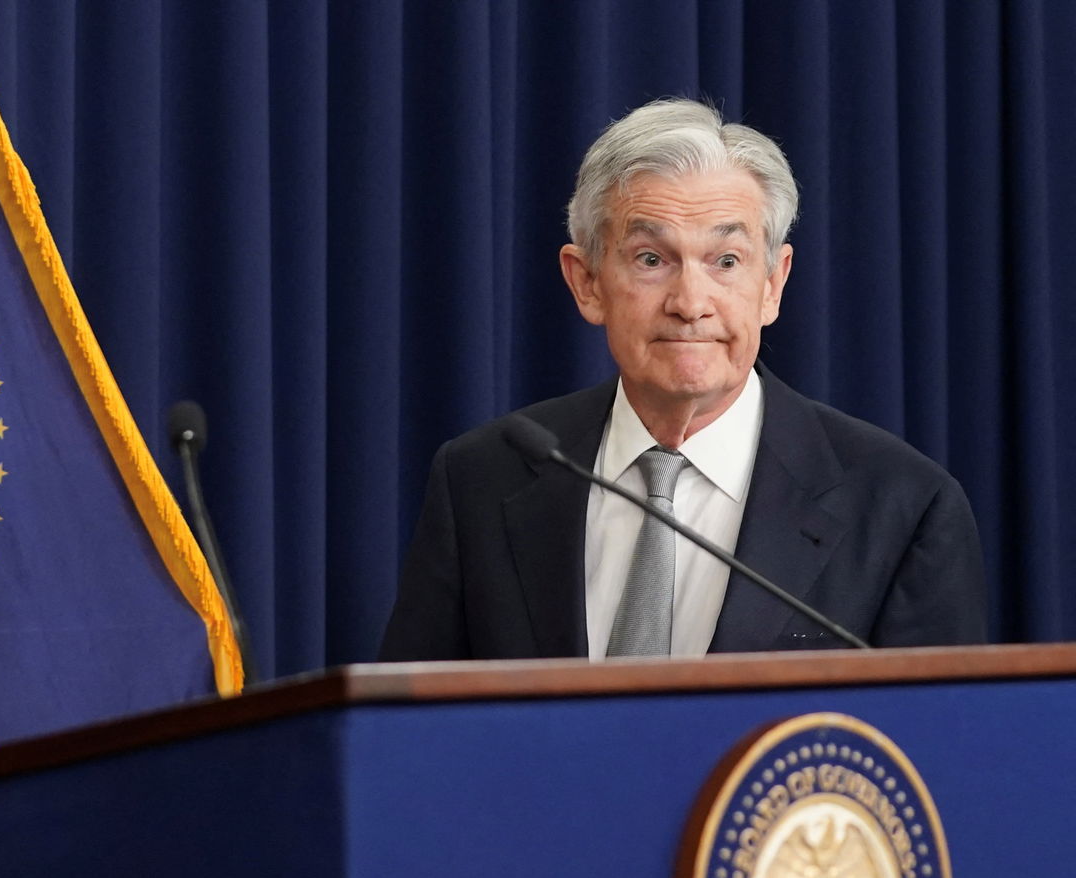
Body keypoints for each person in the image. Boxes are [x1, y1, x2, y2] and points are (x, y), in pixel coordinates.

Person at [379, 98, 986, 661]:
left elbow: (934, 760)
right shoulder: (482, 478)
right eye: (651, 259)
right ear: (586, 281)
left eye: (726, 261)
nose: (691, 302)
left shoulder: (903, 507)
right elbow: (406, 740)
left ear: (772, 283)